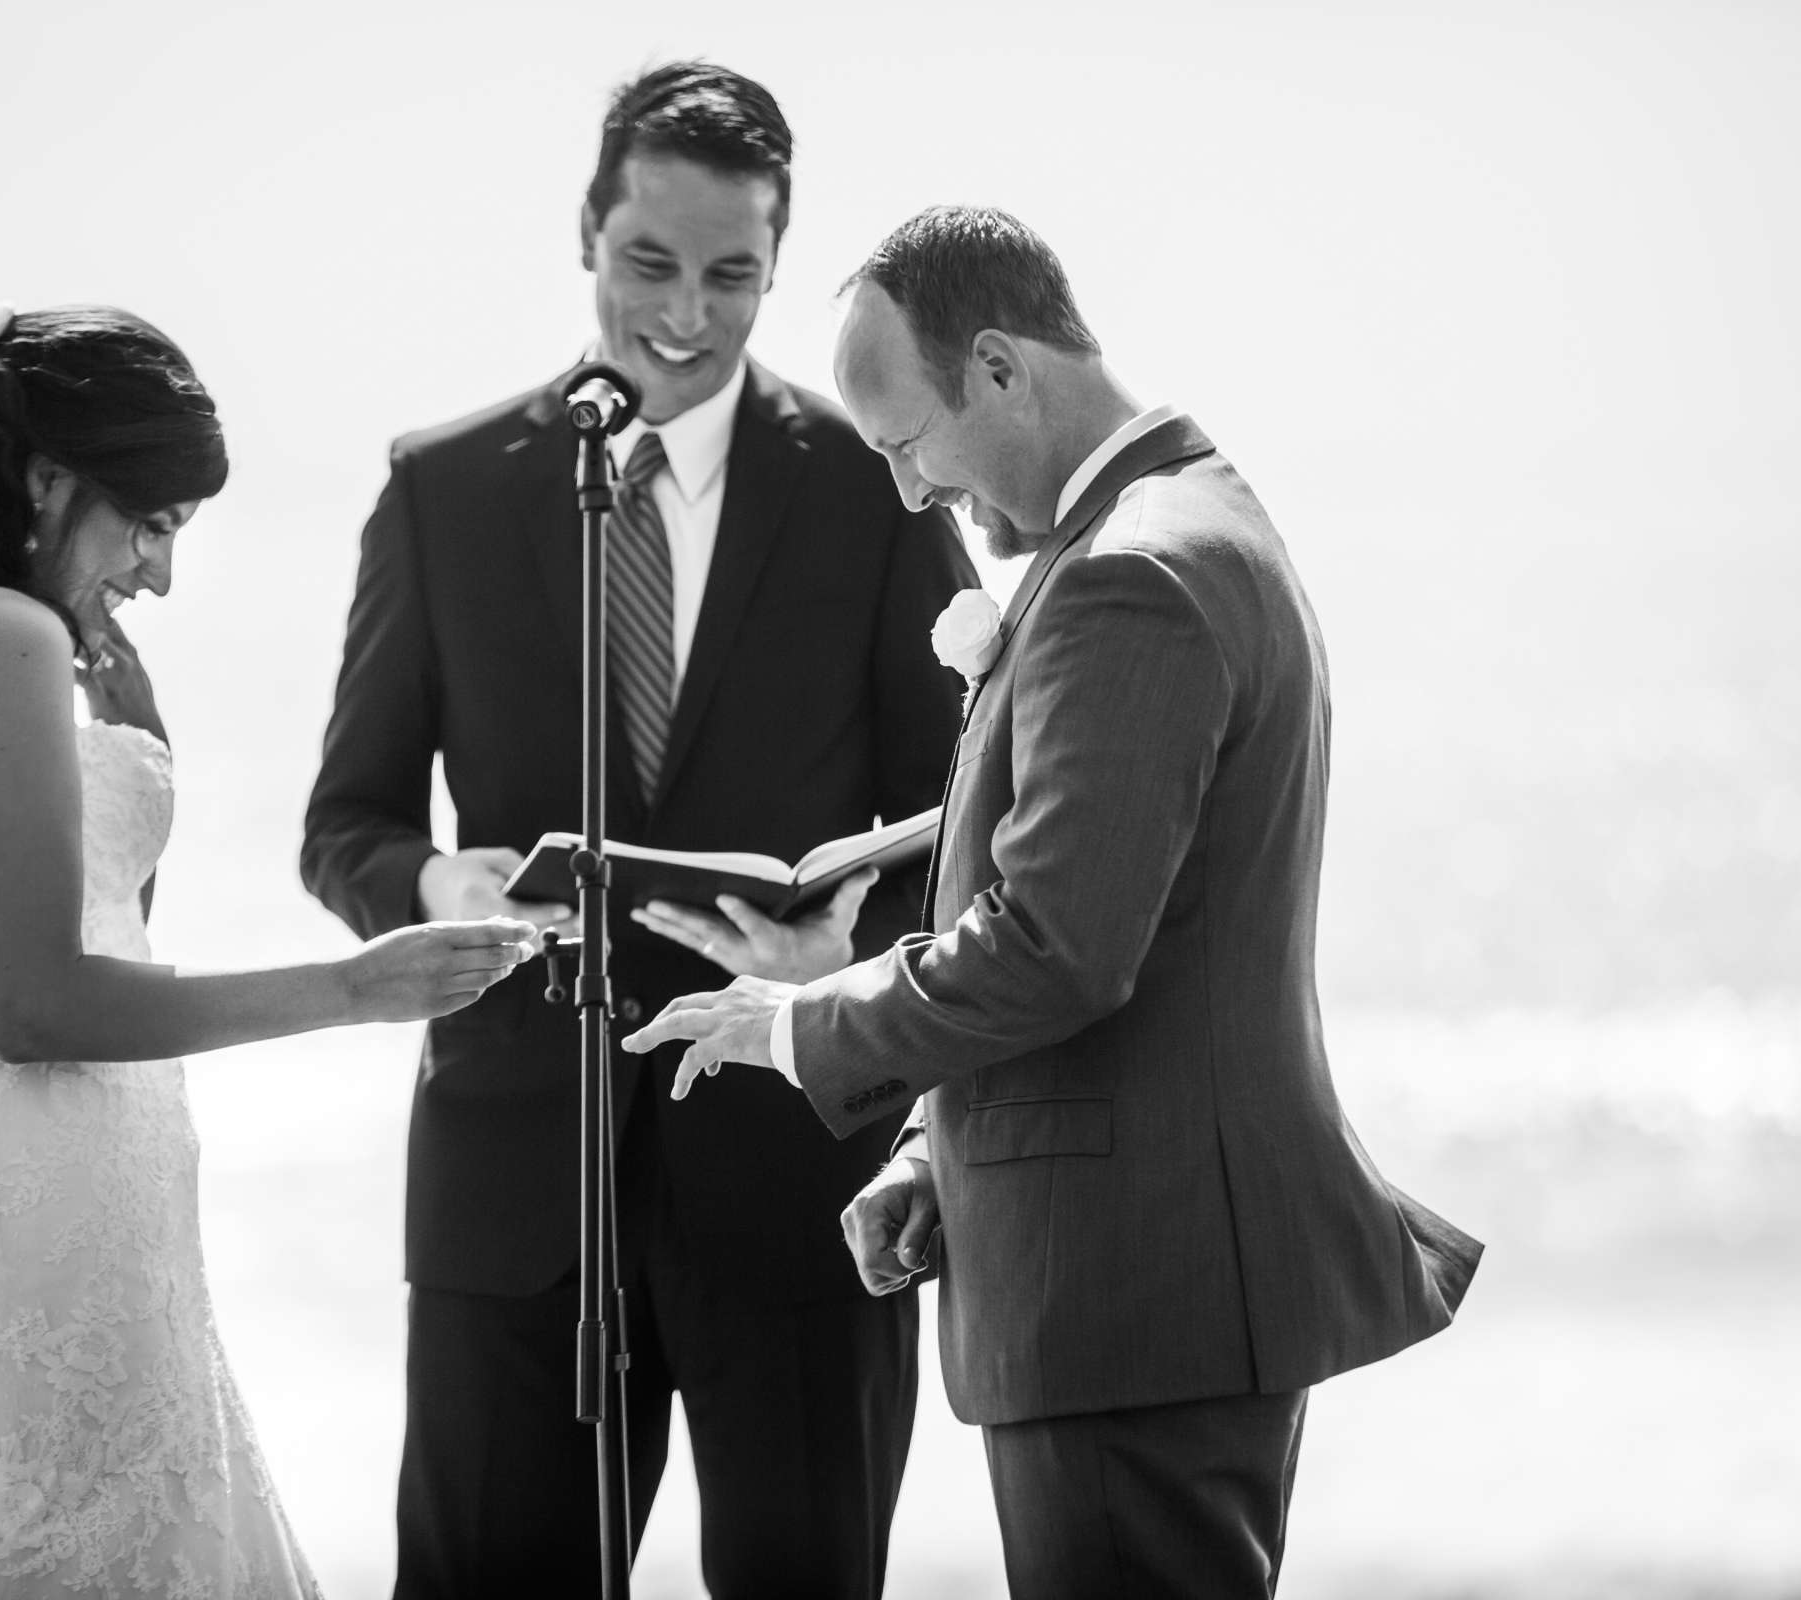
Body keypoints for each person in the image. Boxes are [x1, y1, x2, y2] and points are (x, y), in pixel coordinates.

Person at [627, 206, 1485, 1597]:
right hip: (1131, 1290)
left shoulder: (1131, 577)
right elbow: (1102, 924)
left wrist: (796, 1025)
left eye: (907, 441)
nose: (910, 495)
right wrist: (929, 1153)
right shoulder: (1179, 526)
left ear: (1003, 369)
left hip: (1130, 1305)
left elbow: (1055, 946)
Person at [0, 305, 537, 1600]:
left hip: (68, 1233)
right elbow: (39, 1003)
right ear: (46, 481)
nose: (158, 574)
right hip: (36, 1260)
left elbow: (79, 933)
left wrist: (137, 738)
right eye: (148, 524)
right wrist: (356, 987)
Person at [300, 62, 976, 1600]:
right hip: (514, 1181)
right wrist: (427, 880)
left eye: (733, 276)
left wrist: (850, 944)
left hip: (797, 1178)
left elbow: (964, 814)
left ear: (776, 268)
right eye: (650, 265)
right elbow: (345, 820)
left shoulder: (874, 493)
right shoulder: (445, 488)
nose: (687, 312)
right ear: (587, 237)